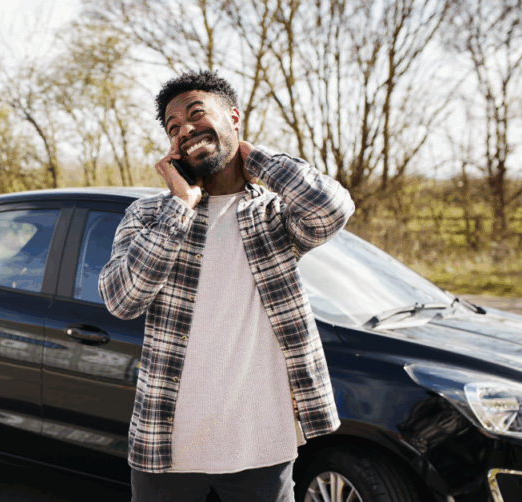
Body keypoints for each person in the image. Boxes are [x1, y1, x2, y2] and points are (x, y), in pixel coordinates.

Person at [99, 70, 355, 502]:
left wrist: (254, 159)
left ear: (234, 117)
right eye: (173, 127)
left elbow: (331, 208)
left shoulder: (273, 215)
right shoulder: (149, 215)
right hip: (168, 446)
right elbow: (122, 299)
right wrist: (181, 207)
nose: (185, 130)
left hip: (262, 445)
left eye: (196, 114)